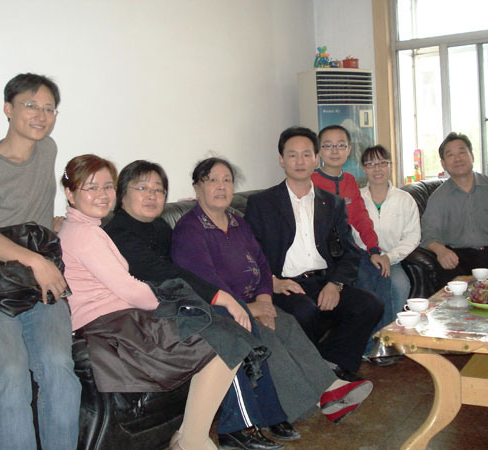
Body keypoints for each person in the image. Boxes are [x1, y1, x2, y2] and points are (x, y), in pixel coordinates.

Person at [58, 154, 245, 450]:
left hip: (119, 316)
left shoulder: (86, 228)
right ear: (70, 194)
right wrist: (168, 301)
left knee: (223, 334)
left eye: (107, 186)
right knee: (223, 339)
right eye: (91, 188)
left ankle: (189, 438)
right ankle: (192, 439)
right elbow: (131, 290)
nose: (102, 194)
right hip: (111, 325)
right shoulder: (85, 234)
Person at [170, 157, 374, 425]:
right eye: (213, 180)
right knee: (268, 337)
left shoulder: (237, 222)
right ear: (197, 188)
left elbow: (262, 263)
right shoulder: (190, 230)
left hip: (252, 301)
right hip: (218, 310)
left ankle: (332, 388)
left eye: (227, 180)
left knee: (286, 324)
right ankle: (309, 404)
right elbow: (204, 282)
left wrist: (265, 300)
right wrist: (250, 309)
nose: (221, 186)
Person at [103, 161, 291, 450]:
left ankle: (222, 427)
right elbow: (163, 272)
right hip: (141, 315)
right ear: (121, 194)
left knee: (239, 321)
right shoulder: (119, 233)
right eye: (142, 188)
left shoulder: (159, 227)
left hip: (175, 301)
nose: (152, 195)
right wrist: (222, 297)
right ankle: (232, 428)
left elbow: (183, 270)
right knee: (226, 332)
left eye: (158, 189)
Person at [0, 73, 81, 450]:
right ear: (8, 109)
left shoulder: (48, 149)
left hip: (37, 277)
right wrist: (36, 261)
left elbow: (31, 208)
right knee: (9, 377)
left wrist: (53, 224)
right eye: (31, 105)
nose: (41, 116)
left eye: (49, 109)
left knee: (59, 369)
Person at [244, 126, 384, 382]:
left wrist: (336, 283)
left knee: (370, 304)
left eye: (306, 154)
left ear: (316, 159)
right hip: (285, 285)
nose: (300, 161)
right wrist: (272, 281)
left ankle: (333, 365)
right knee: (305, 311)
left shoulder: (332, 203)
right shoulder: (262, 203)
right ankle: (314, 373)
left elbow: (349, 252)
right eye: (292, 155)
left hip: (323, 281)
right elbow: (249, 253)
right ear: (281, 159)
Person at [311, 125, 392, 360]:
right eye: (328, 146)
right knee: (364, 280)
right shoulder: (311, 181)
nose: (335, 151)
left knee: (382, 274)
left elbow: (361, 218)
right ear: (319, 151)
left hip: (348, 251)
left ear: (348, 150)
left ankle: (384, 342)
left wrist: (374, 249)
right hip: (323, 256)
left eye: (341, 145)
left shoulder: (349, 181)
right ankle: (367, 348)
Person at [421, 132, 488, 287]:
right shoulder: (438, 197)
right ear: (443, 164)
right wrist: (441, 251)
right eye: (450, 155)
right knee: (446, 280)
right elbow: (429, 234)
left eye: (462, 152)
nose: (457, 159)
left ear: (472, 156)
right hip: (458, 257)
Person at [355, 145, 421, 353]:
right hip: (363, 259)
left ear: (391, 166)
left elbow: (412, 236)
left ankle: (389, 341)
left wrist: (389, 257)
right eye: (371, 164)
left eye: (383, 163)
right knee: (368, 292)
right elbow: (351, 234)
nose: (377, 169)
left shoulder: (404, 200)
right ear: (363, 169)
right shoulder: (356, 199)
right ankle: (369, 345)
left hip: (393, 259)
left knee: (400, 285)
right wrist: (371, 254)